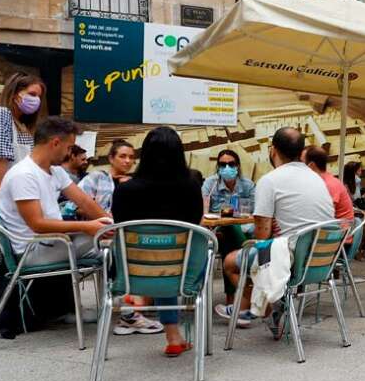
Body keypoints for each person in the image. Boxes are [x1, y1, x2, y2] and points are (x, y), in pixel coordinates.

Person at [0, 117, 112, 331]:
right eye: (69, 147)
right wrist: (90, 227)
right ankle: (127, 309)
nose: (69, 153)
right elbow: (38, 224)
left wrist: (109, 224)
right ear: (55, 143)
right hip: (32, 251)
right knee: (107, 244)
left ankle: (115, 306)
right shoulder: (24, 174)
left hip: (51, 244)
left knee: (109, 245)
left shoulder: (54, 170)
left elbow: (85, 201)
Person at [217, 127, 334, 326]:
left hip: (291, 259)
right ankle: (256, 308)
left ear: (273, 150)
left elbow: (261, 236)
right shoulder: (317, 179)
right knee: (257, 254)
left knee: (230, 262)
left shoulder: (270, 180)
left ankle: (260, 307)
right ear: (300, 151)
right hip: (321, 259)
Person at [110, 126, 205, 356]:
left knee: (157, 257)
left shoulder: (125, 190)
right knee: (176, 257)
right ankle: (175, 335)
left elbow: (119, 227)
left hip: (132, 272)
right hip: (182, 272)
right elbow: (196, 222)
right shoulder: (191, 185)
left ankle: (171, 332)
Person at [0, 74, 45, 314]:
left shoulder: (23, 123)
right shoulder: (0, 114)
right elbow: (1, 158)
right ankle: (6, 315)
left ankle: (25, 311)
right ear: (16, 93)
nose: (36, 100)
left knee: (15, 256)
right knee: (4, 259)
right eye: (32, 94)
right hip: (6, 196)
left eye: (39, 96)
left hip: (22, 196)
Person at [201, 149, 256, 305]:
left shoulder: (248, 185)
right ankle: (243, 294)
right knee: (228, 234)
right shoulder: (210, 184)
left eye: (231, 164)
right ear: (218, 167)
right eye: (223, 164)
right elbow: (203, 211)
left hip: (245, 230)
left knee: (230, 238)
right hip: (218, 230)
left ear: (237, 166)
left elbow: (256, 213)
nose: (227, 168)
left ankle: (235, 297)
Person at [75, 139, 135, 215]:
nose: (128, 161)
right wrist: (106, 217)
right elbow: (77, 207)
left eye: (131, 157)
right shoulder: (96, 178)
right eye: (122, 156)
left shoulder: (133, 182)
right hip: (97, 225)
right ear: (111, 158)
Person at [302, 145, 354, 229]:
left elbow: (322, 216)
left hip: (336, 238)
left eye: (301, 163)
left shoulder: (328, 185)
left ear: (311, 165)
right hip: (332, 232)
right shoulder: (326, 180)